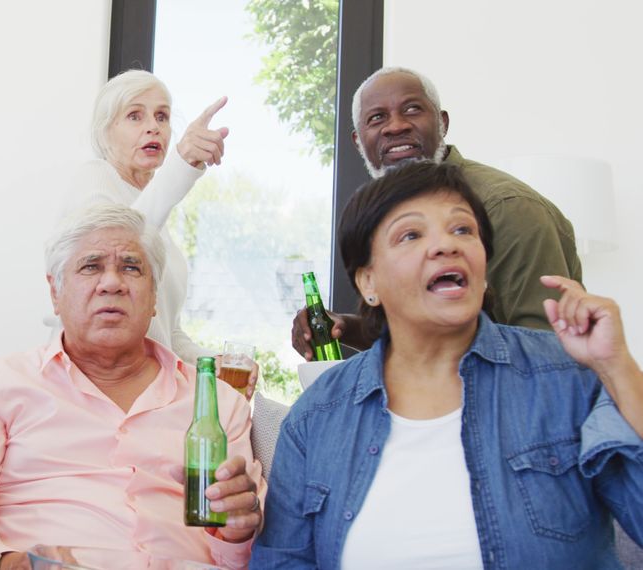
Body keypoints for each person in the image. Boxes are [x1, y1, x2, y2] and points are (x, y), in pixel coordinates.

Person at [252, 162, 643, 568]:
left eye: (463, 230)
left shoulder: (566, 378)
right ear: (369, 283)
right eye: (411, 235)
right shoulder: (317, 416)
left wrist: (617, 366)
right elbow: (283, 560)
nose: (446, 245)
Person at [0, 204, 265, 570]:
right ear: (55, 293)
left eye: (131, 267)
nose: (112, 283)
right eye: (91, 266)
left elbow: (239, 556)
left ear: (153, 299)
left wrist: (238, 529)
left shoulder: (219, 405)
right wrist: (3, 562)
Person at [291, 66, 581, 358]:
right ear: (358, 141)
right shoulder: (382, 213)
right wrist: (347, 327)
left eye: (412, 109)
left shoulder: (507, 207)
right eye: (377, 117)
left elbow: (546, 355)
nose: (396, 126)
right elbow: (427, 332)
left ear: (442, 123)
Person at [54, 70, 262, 396]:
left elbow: (167, 332)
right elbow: (118, 247)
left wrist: (210, 363)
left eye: (162, 116)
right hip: (90, 388)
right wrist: (182, 163)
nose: (153, 126)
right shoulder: (93, 179)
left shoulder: (156, 213)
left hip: (148, 388)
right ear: (105, 133)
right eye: (135, 115)